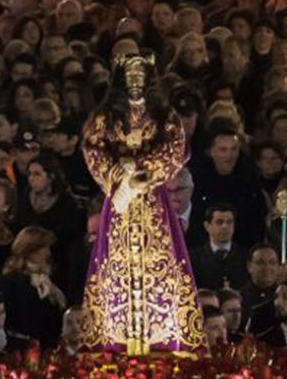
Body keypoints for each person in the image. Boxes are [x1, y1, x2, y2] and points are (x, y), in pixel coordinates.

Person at [80, 51, 204, 353]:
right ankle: (115, 339)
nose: (135, 81)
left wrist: (140, 170)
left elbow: (176, 148)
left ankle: (163, 338)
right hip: (120, 201)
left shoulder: (163, 114)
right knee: (116, 266)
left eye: (140, 75)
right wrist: (117, 177)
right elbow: (93, 148)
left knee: (159, 264)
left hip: (152, 200)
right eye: (129, 75)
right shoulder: (106, 116)